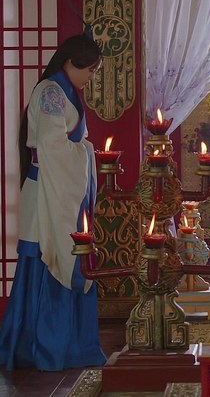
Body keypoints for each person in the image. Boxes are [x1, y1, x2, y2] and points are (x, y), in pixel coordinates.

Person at [0, 32, 107, 371]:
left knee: (63, 258)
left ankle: (64, 347)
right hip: (46, 190)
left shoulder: (63, 92)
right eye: (89, 70)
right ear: (70, 63)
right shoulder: (50, 92)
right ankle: (41, 350)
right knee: (46, 260)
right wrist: (86, 154)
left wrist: (84, 150)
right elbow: (51, 146)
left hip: (58, 189)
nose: (91, 77)